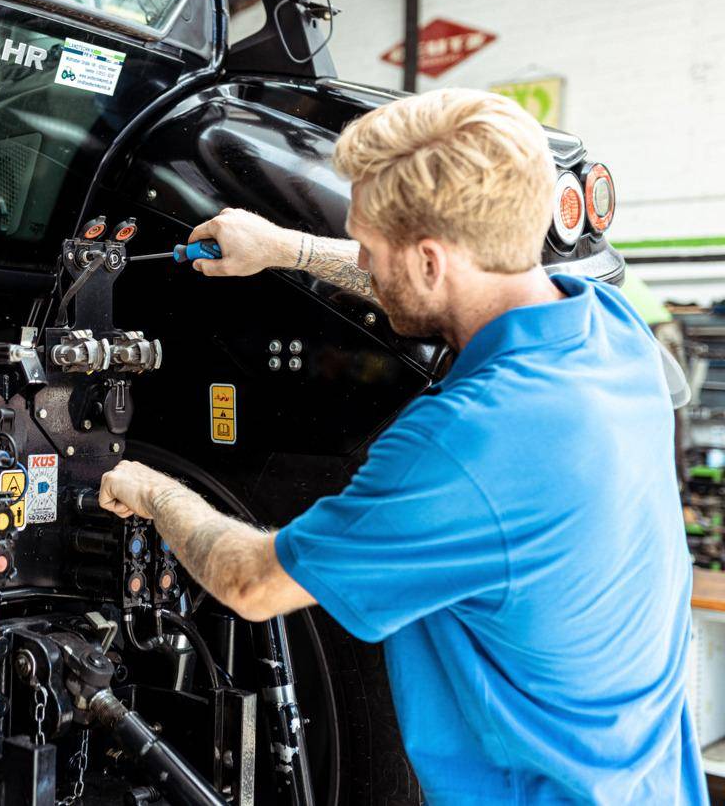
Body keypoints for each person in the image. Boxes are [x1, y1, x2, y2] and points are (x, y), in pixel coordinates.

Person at [98, 89, 706, 804]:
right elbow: (433, 281)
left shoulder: (460, 445)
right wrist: (282, 249)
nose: (362, 258)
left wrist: (146, 487)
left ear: (427, 260)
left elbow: (250, 584)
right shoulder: (608, 326)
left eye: (369, 245)